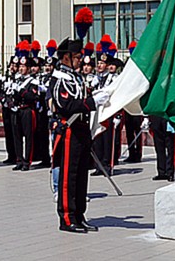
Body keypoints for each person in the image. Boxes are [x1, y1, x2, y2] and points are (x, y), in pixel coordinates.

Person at [51, 38, 104, 233]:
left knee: (82, 174)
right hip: (69, 131)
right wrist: (91, 102)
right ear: (66, 57)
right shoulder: (59, 79)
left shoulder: (76, 77)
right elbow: (66, 106)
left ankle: (79, 215)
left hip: (81, 129)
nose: (80, 60)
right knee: (69, 175)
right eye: (77, 57)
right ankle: (67, 217)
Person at [149, 115, 175, 181]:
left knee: (170, 146)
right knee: (159, 146)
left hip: (167, 116)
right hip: (156, 116)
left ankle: (170, 172)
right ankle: (161, 172)